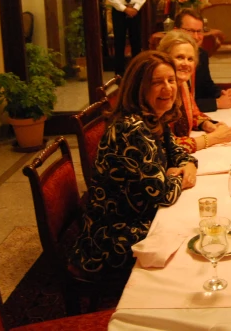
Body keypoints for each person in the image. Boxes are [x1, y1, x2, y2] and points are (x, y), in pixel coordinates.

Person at [70, 51, 197, 279]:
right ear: (139, 88)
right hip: (115, 237)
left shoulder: (152, 116)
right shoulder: (132, 128)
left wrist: (187, 166)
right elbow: (163, 195)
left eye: (171, 80)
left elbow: (177, 151)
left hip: (140, 217)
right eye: (157, 82)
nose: (168, 88)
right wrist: (180, 177)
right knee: (198, 240)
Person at [157, 30, 231, 153]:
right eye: (179, 57)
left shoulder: (182, 84)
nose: (185, 64)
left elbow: (193, 114)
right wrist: (212, 138)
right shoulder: (158, 91)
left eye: (190, 59)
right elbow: (163, 145)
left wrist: (207, 124)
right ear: (164, 59)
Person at [174, 8, 231, 112]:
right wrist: (216, 103)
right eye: (190, 31)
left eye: (199, 31)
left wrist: (223, 93)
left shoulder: (202, 54)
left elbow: (206, 85)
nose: (196, 37)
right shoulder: (168, 58)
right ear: (176, 31)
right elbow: (176, 104)